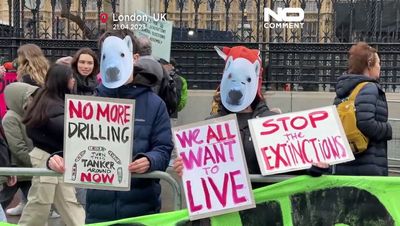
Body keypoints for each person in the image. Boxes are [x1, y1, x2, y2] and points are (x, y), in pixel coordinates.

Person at [48, 29, 173, 223]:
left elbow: (164, 149)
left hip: (141, 208)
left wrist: (150, 160)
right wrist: (55, 159)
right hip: (99, 210)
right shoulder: (91, 103)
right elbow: (75, 144)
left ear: (135, 57)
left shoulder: (155, 104)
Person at [18, 64, 85, 226]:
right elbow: (65, 131)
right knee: (40, 204)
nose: (73, 81)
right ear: (62, 80)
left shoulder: (46, 98)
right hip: (49, 157)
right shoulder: (55, 104)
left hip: (51, 156)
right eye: (70, 78)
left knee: (66, 202)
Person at [333, 42, 392, 176]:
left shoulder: (343, 90)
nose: (379, 67)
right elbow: (365, 122)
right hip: (368, 164)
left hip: (345, 163)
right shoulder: (369, 88)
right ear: (369, 64)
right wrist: (387, 130)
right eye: (378, 63)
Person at [0, 82, 38, 216]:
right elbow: (18, 148)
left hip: (26, 168)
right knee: (4, 199)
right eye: (30, 98)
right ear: (19, 98)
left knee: (35, 203)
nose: (34, 101)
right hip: (16, 168)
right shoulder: (10, 118)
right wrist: (35, 163)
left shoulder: (27, 115)